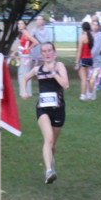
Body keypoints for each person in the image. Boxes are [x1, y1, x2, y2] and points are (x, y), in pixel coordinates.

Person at [21, 42, 69, 184]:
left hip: (58, 109)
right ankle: (48, 171)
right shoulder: (37, 69)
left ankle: (51, 165)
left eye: (49, 51)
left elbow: (66, 85)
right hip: (42, 109)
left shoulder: (59, 66)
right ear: (41, 54)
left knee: (52, 144)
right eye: (44, 51)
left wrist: (53, 73)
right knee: (48, 139)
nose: (47, 53)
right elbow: (24, 78)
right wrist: (24, 92)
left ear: (54, 53)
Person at [13, 20, 35, 97]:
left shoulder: (26, 33)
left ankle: (26, 92)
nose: (19, 25)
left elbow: (35, 42)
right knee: (21, 73)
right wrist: (14, 52)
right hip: (22, 55)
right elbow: (21, 46)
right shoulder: (22, 34)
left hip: (26, 56)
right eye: (18, 24)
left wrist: (28, 49)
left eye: (21, 23)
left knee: (24, 74)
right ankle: (23, 91)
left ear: (25, 25)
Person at [76, 21, 94, 100]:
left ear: (83, 28)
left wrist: (77, 62)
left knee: (83, 79)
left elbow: (79, 51)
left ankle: (83, 95)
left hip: (84, 59)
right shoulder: (91, 36)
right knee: (89, 78)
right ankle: (90, 94)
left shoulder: (82, 37)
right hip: (90, 59)